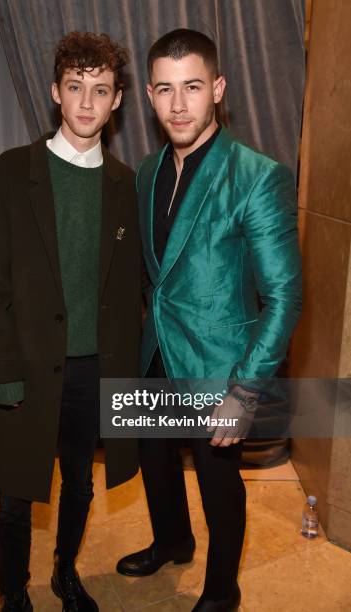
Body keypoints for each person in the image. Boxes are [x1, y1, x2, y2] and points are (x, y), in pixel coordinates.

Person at [116, 29, 302, 612]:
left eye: (192, 87)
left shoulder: (257, 176)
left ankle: (224, 588)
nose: (178, 105)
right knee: (154, 458)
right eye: (165, 90)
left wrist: (244, 391)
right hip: (156, 354)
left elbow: (285, 296)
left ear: (217, 89)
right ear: (148, 95)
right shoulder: (145, 173)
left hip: (221, 370)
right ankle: (172, 540)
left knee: (219, 485)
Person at [0, 31, 142, 612]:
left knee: (82, 482)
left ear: (118, 100)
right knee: (17, 492)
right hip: (25, 366)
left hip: (95, 372)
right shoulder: (9, 174)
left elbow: (133, 287)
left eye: (101, 90)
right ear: (55, 93)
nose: (87, 103)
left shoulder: (124, 184)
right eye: (76, 88)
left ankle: (66, 573)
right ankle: (13, 589)